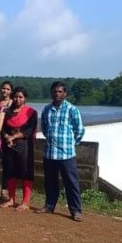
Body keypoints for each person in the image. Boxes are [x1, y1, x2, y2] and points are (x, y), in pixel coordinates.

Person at [40, 81, 86, 221]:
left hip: (67, 154)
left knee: (71, 183)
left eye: (60, 92)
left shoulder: (72, 110)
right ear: (51, 93)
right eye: (55, 91)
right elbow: (44, 128)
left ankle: (76, 210)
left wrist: (71, 143)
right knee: (50, 181)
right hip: (50, 153)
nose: (57, 94)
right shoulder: (46, 109)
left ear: (65, 93)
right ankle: (49, 205)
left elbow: (80, 130)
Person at [0, 87, 38, 211]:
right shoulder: (6, 112)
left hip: (24, 146)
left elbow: (29, 130)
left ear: (25, 98)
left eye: (20, 97)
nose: (18, 99)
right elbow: (2, 128)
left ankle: (25, 202)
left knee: (25, 172)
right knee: (10, 171)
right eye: (15, 96)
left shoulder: (31, 112)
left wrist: (14, 136)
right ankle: (11, 199)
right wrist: (7, 137)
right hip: (9, 145)